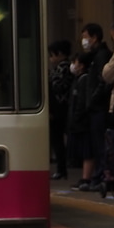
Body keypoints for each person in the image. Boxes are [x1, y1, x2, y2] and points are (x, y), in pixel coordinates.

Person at [74, 23, 112, 192]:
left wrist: (93, 101)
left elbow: (103, 81)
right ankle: (97, 177)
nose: (84, 41)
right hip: (95, 108)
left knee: (101, 145)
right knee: (97, 145)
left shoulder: (101, 55)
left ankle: (102, 177)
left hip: (99, 108)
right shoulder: (95, 56)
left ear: (95, 37)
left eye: (85, 37)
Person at [65, 52, 99, 191]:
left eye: (76, 62)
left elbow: (81, 103)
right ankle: (85, 177)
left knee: (87, 152)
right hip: (78, 122)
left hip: (83, 123)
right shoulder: (78, 79)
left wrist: (77, 118)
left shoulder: (84, 80)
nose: (74, 65)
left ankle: (87, 178)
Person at [47, 40, 73, 180]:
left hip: (59, 109)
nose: (51, 59)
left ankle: (61, 168)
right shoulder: (65, 67)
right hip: (61, 108)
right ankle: (61, 167)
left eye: (52, 55)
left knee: (57, 140)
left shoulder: (63, 68)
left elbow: (58, 87)